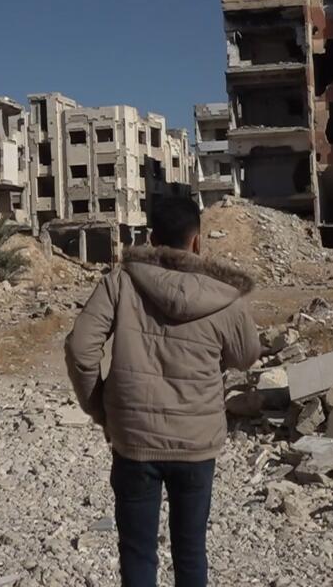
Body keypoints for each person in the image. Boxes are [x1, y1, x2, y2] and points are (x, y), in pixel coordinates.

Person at [64, 196, 260, 587]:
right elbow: (246, 356)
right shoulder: (223, 295)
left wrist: (99, 407)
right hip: (197, 444)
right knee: (191, 551)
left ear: (152, 239)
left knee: (137, 553)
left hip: (135, 441)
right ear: (198, 243)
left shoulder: (120, 282)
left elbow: (80, 348)